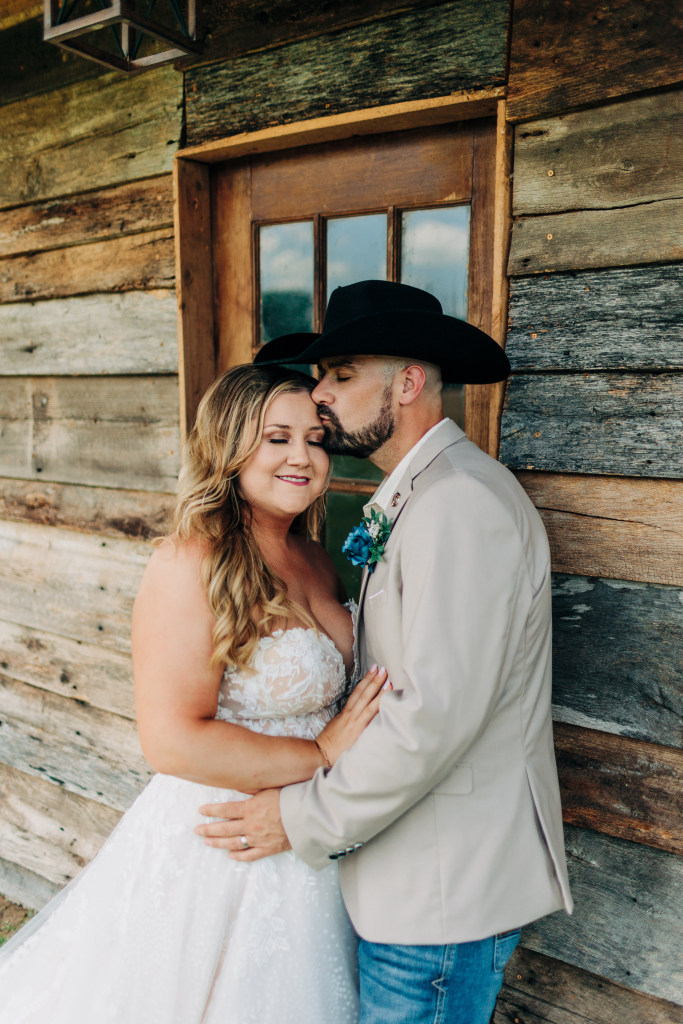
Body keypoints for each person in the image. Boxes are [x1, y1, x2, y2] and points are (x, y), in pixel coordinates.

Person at [196, 280, 574, 1024]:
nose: (320, 395)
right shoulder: (417, 496)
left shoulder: (458, 505)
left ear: (405, 384)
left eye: (340, 374)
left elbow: (429, 718)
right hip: (407, 873)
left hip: (440, 892)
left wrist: (301, 820)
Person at [0, 363, 390, 1023]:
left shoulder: (317, 558)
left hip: (312, 837)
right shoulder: (191, 561)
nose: (303, 456)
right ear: (229, 450)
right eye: (277, 438)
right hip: (223, 846)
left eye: (315, 439)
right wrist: (321, 751)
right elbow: (172, 739)